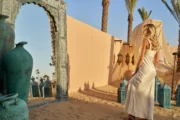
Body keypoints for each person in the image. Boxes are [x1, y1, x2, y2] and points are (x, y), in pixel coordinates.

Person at [124, 24, 161, 120]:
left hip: (145, 68)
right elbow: (156, 61)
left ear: (148, 31)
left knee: (132, 84)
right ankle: (145, 115)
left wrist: (135, 73)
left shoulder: (146, 41)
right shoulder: (157, 44)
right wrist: (154, 72)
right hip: (152, 70)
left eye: (144, 30)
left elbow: (141, 59)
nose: (143, 32)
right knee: (147, 93)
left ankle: (132, 114)